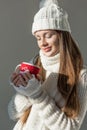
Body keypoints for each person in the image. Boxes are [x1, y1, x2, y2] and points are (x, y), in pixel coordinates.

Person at [8, 0, 87, 130]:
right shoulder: (35, 64)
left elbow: (71, 127)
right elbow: (12, 113)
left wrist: (36, 94)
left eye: (48, 35)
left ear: (63, 36)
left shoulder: (81, 75)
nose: (42, 43)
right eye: (38, 38)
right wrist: (24, 90)